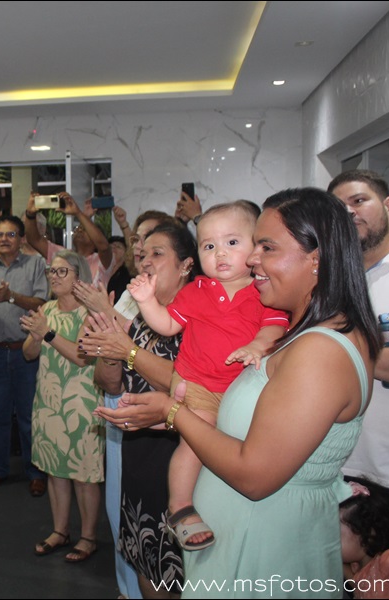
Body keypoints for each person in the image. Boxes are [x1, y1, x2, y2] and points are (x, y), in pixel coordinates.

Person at [98, 188, 380, 599]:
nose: (251, 259)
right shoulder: (302, 333)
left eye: (266, 247)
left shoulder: (321, 351)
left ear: (317, 258)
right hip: (242, 541)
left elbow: (254, 476)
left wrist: (173, 413)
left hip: (263, 549)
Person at [127, 201, 289, 550]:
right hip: (197, 383)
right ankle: (180, 507)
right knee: (195, 442)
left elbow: (275, 328)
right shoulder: (196, 291)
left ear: (256, 247)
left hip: (239, 390)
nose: (220, 254)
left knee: (236, 449)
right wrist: (147, 301)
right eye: (209, 246)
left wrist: (257, 345)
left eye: (232, 242)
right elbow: (167, 325)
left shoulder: (264, 292)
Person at [89, 222, 198, 599]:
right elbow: (110, 384)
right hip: (138, 454)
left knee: (182, 570)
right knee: (146, 560)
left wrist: (128, 351)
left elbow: (184, 383)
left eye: (157, 254)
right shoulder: (139, 318)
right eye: (143, 254)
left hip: (182, 454)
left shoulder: (199, 318)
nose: (145, 261)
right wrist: (111, 348)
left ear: (185, 265)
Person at [329, 170, 389, 538]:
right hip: (343, 467)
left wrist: (335, 355)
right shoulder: (333, 281)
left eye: (359, 201)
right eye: (339, 208)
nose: (349, 212)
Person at [21, 250, 105, 563]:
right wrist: (35, 335)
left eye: (62, 271)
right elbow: (28, 354)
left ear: (79, 277)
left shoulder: (90, 313)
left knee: (84, 473)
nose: (54, 277)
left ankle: (88, 537)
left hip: (81, 402)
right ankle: (60, 531)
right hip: (48, 399)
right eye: (51, 271)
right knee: (55, 470)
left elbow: (82, 356)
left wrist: (47, 332)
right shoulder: (46, 309)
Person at [0, 215, 49, 497]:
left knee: (28, 417)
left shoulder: (36, 264)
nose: (4, 239)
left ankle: (36, 472)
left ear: (21, 239)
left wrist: (10, 296)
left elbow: (41, 302)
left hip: (26, 353)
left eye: (10, 234)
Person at [339, 479, 389, 598]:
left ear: (368, 535)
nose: (328, 540)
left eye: (336, 535)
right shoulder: (360, 570)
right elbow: (359, 585)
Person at [25, 192, 114, 288]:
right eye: (78, 228)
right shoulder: (63, 255)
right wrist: (30, 214)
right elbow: (34, 240)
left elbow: (104, 247)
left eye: (84, 230)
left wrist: (78, 213)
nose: (79, 230)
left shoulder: (101, 260)